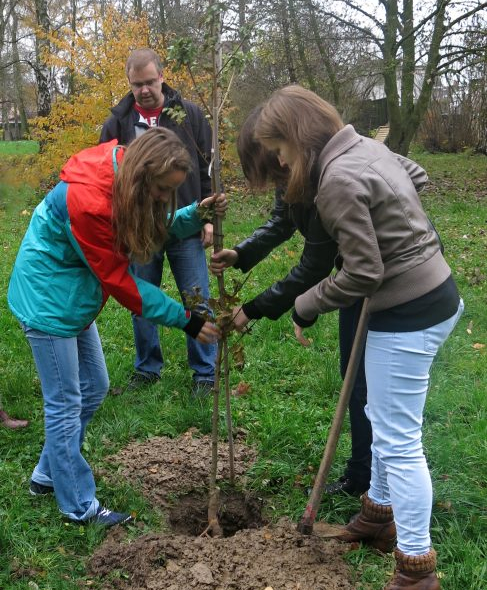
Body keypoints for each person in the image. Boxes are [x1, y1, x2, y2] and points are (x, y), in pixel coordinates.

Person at [251, 85, 463, 590]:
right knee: (379, 415)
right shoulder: (365, 148)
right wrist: (395, 216)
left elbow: (363, 272)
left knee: (397, 440)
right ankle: (377, 514)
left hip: (408, 312)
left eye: (280, 147)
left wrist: (304, 305)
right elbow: (416, 176)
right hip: (430, 296)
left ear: (300, 137)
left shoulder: (337, 179)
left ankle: (417, 573)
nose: (278, 160)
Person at [8, 128, 225, 526]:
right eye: (161, 189)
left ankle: (46, 474)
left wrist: (195, 215)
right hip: (48, 298)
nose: (163, 198)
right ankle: (77, 507)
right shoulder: (90, 201)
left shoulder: (126, 180)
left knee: (95, 386)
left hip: (72, 294)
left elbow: (150, 227)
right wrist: (186, 320)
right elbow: (121, 281)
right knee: (65, 402)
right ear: (143, 174)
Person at [211, 107, 371, 496]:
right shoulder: (293, 176)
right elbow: (281, 223)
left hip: (372, 280)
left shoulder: (323, 182)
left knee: (365, 383)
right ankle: (366, 476)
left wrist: (250, 310)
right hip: (361, 274)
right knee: (358, 379)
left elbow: (313, 266)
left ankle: (367, 479)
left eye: (275, 158)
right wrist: (241, 253)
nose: (276, 175)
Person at [100, 48, 216, 396]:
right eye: (137, 85)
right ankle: (148, 368)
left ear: (162, 77)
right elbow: (107, 175)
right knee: (142, 298)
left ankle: (205, 374)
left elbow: (208, 168)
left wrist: (207, 218)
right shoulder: (117, 123)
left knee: (196, 298)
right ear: (130, 84)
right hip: (140, 231)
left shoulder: (189, 115)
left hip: (185, 225)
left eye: (150, 82)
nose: (144, 90)